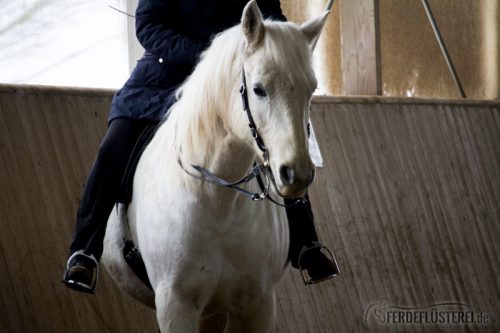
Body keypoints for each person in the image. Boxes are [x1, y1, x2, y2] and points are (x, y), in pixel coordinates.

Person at [63, 0, 338, 294]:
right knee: (112, 151)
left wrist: (287, 44)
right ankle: (85, 249)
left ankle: (305, 241)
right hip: (165, 81)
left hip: (235, 83)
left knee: (286, 138)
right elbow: (148, 27)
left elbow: (272, 21)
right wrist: (208, 59)